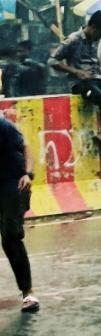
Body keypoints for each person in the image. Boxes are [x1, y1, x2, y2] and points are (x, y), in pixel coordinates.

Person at [48, 11, 101, 163]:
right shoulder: (73, 39)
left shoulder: (97, 42)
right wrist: (76, 71)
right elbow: (51, 60)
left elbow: (95, 60)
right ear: (93, 28)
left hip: (98, 78)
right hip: (80, 83)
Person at [0, 112, 37, 312]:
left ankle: (28, 293)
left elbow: (25, 148)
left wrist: (27, 174)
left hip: (12, 184)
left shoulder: (3, 126)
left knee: (10, 237)